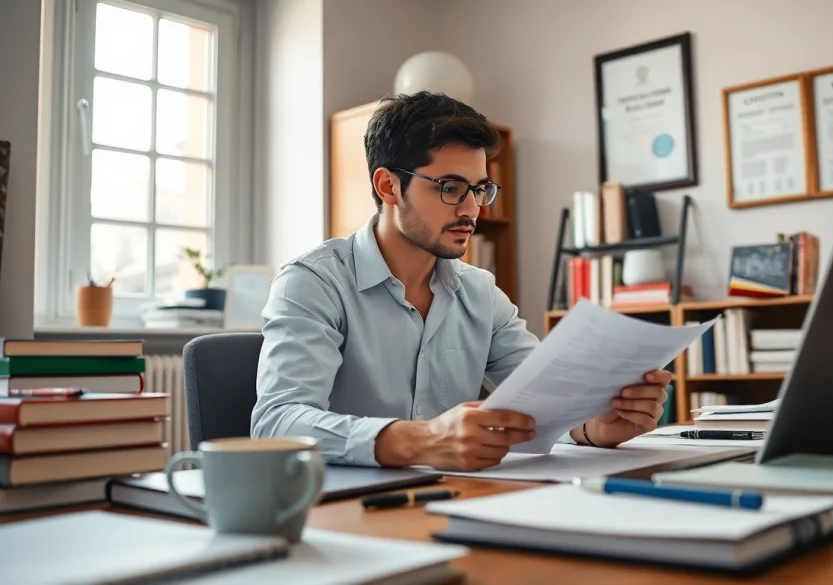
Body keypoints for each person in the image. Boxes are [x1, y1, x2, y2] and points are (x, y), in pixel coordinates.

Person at [251, 91, 671, 472]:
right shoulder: (313, 282)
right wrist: (421, 441)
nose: (472, 209)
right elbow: (277, 422)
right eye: (450, 188)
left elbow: (547, 398)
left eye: (480, 189)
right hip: (341, 513)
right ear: (389, 186)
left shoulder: (480, 292)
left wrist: (595, 425)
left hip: (455, 500)